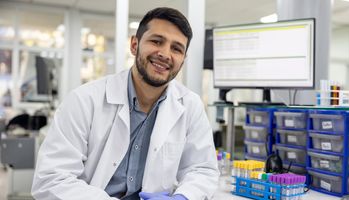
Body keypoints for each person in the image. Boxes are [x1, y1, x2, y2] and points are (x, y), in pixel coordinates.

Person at [31, 7, 219, 200]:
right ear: (134, 45)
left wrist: (183, 197)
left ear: (183, 60)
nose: (164, 53)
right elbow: (52, 178)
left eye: (176, 48)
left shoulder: (190, 105)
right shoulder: (83, 100)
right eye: (157, 41)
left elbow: (202, 169)